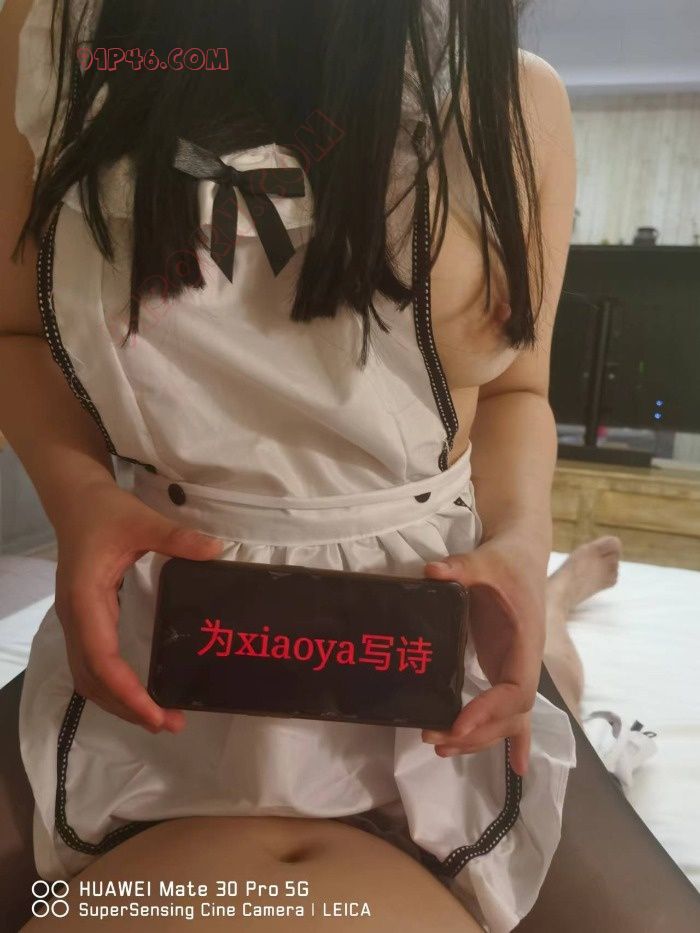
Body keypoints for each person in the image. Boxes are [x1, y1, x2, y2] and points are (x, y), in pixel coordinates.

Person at [4, 1, 694, 931]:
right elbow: (16, 329)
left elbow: (518, 388)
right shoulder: (44, 45)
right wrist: (81, 496)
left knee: (553, 694)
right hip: (159, 608)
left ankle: (557, 597)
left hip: (426, 606)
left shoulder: (512, 96)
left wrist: (523, 544)